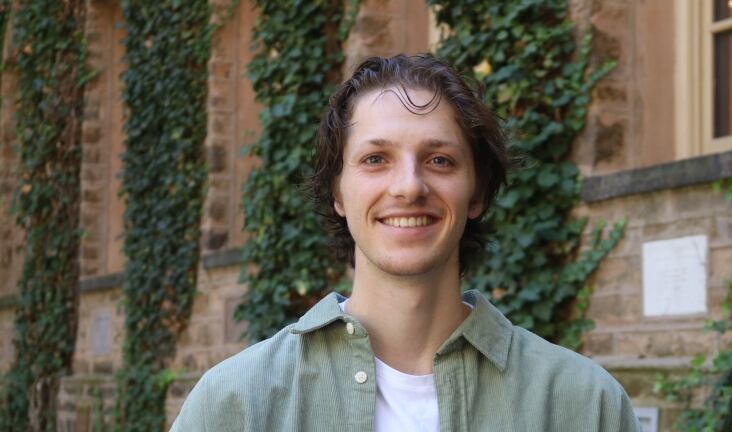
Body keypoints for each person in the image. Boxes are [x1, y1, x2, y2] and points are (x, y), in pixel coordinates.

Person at [170, 54, 640, 431]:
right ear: (337, 191)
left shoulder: (585, 405)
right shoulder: (237, 404)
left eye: (439, 160)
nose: (409, 186)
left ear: (476, 193)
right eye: (376, 159)